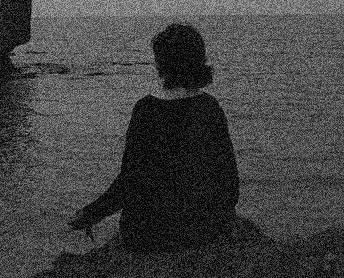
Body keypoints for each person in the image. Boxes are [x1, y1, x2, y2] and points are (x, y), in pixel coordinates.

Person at [67, 23, 240, 254]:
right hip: (201, 232)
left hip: (145, 235)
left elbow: (131, 179)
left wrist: (91, 213)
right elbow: (229, 182)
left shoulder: (146, 110)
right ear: (199, 60)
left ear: (160, 64)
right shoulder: (209, 108)